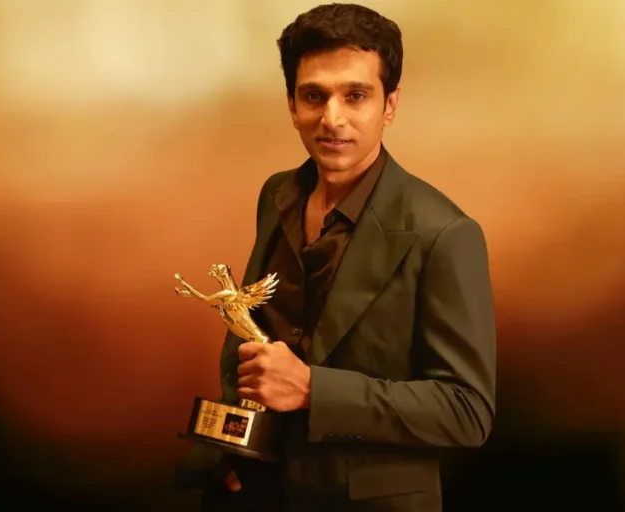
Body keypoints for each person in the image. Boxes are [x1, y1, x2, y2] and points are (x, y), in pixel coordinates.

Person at [182, 4, 496, 511]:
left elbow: (467, 411)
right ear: (291, 104)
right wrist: (235, 453)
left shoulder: (446, 234)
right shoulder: (276, 194)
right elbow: (251, 334)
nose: (333, 119)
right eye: (314, 96)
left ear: (389, 105)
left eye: (356, 95)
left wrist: (313, 389)